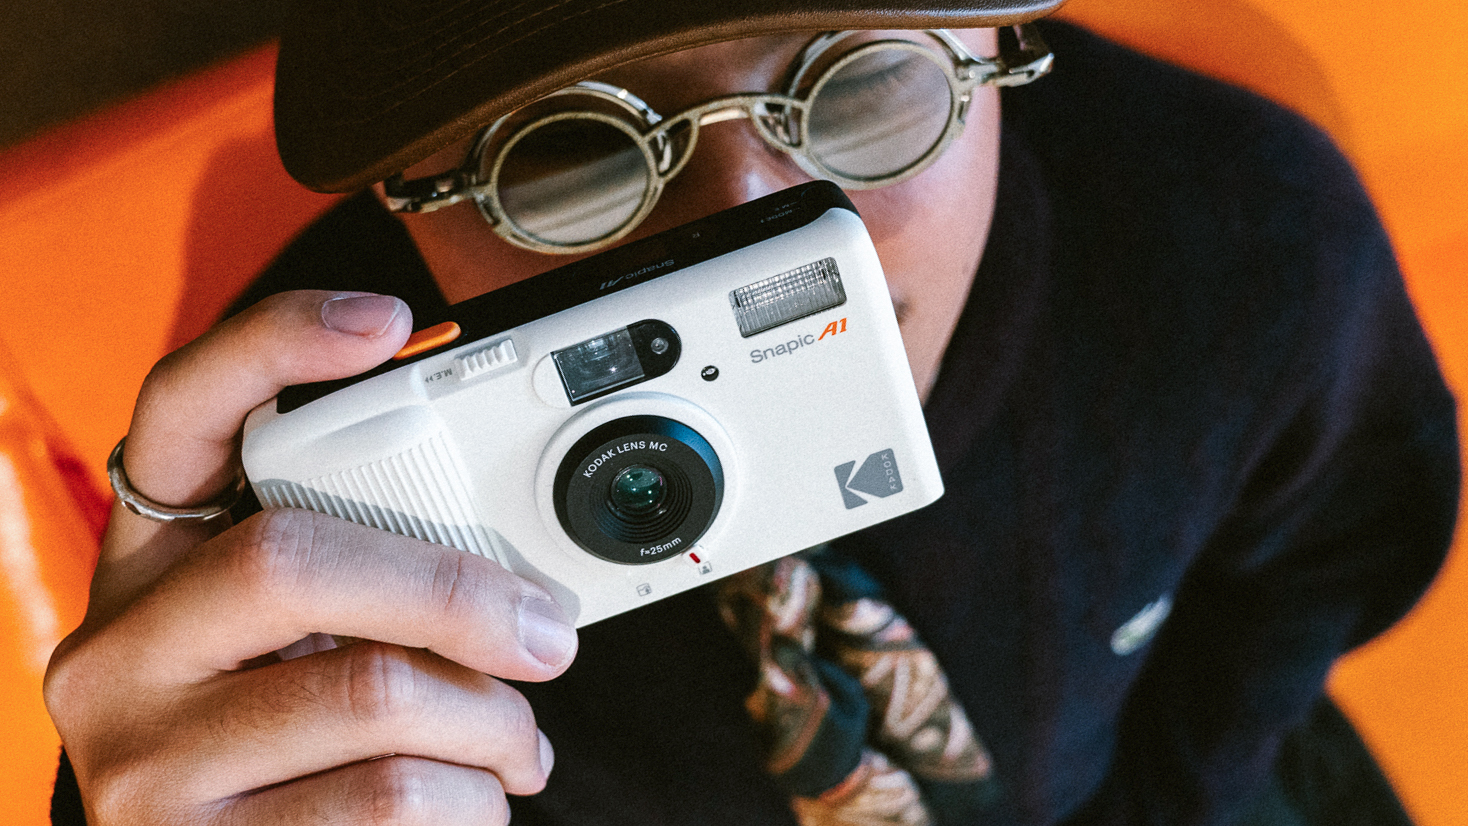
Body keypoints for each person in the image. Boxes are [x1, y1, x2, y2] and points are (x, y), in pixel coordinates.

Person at [43, 1, 1459, 825]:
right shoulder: (318, 481)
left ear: (1007, 40)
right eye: (571, 150)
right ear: (401, 198)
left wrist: (1195, 785)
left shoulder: (1243, 250)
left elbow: (1335, 546)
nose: (751, 244)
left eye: (857, 84)